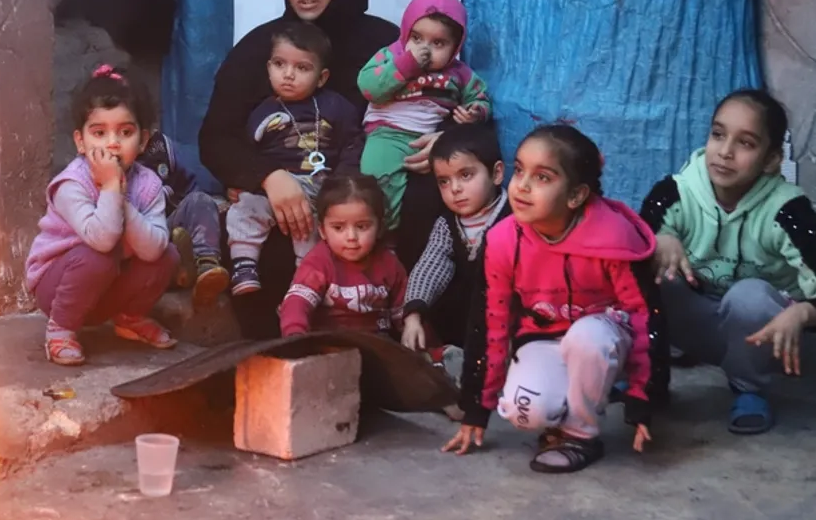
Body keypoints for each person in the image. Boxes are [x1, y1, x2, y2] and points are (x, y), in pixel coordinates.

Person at [198, 0, 397, 339]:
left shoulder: (384, 45)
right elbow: (215, 137)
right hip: (286, 196)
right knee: (265, 253)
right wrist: (268, 177)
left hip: (364, 191)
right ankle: (277, 361)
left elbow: (433, 100)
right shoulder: (264, 48)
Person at [443, 125, 656, 473]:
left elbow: (645, 316)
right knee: (522, 411)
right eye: (520, 170)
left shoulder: (614, 237)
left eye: (542, 177)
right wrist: (477, 408)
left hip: (606, 337)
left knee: (587, 338)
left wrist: (642, 397)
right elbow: (491, 325)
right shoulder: (501, 241)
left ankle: (581, 434)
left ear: (575, 196)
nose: (522, 185)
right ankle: (577, 402)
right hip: (546, 336)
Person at [640, 89, 816, 435]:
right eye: (718, 134)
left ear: (770, 160)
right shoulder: (675, 193)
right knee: (651, 271)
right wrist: (658, 241)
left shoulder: (788, 211)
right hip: (700, 323)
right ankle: (648, 377)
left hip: (768, 338)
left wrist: (804, 311)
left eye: (746, 143)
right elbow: (623, 263)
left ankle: (748, 388)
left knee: (748, 296)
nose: (725, 151)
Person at [24, 65, 181, 365]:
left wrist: (120, 199)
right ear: (80, 142)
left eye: (125, 132)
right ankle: (60, 330)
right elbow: (103, 240)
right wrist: (111, 187)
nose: (112, 143)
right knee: (99, 256)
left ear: (144, 141)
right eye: (99, 133)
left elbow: (153, 249)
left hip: (107, 289)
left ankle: (129, 318)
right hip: (58, 288)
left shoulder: (148, 184)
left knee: (168, 254)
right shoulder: (72, 184)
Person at [226, 20, 363, 295]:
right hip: (275, 191)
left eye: (302, 68)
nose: (288, 75)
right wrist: (245, 182)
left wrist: (341, 185)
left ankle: (305, 287)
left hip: (319, 187)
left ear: (321, 77)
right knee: (243, 209)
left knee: (310, 232)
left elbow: (353, 143)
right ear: (269, 68)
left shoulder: (335, 106)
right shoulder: (261, 112)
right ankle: (244, 266)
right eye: (280, 64)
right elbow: (246, 153)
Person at [358, 0, 491, 231]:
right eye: (417, 38)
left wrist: (474, 113)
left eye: (438, 43)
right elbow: (369, 87)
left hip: (430, 138)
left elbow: (481, 99)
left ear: (455, 47)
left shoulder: (460, 74)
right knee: (376, 183)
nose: (424, 50)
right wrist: (407, 64)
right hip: (387, 133)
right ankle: (382, 237)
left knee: (435, 196)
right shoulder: (391, 55)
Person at [400, 124, 511, 353]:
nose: (455, 189)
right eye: (444, 181)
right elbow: (432, 264)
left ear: (497, 173)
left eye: (466, 175)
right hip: (466, 329)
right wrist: (413, 314)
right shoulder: (448, 224)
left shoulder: (516, 219)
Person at [277, 173, 407, 337]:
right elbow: (297, 301)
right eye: (338, 228)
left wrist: (425, 345)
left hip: (378, 343)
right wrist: (295, 335)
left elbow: (405, 314)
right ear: (323, 231)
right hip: (330, 343)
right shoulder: (319, 262)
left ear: (380, 228)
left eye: (362, 226)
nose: (351, 237)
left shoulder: (389, 263)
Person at [136, 131, 231, 306]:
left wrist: (206, 211)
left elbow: (187, 184)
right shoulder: (100, 166)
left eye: (127, 131)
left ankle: (207, 266)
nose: (115, 141)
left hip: (172, 217)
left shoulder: (159, 147)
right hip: (144, 236)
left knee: (201, 201)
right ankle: (181, 270)